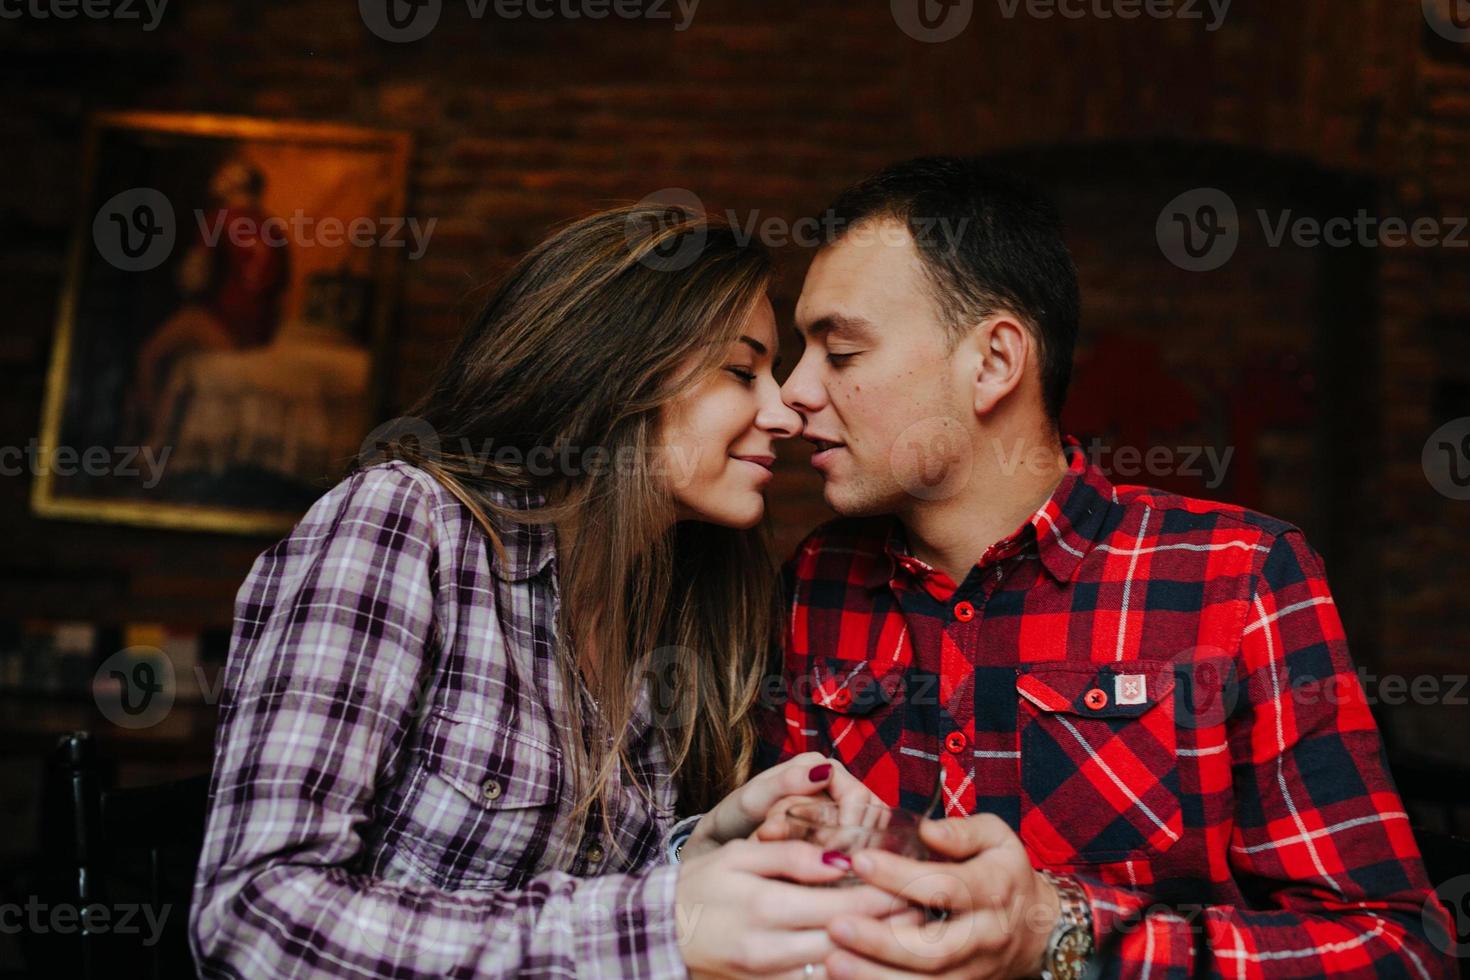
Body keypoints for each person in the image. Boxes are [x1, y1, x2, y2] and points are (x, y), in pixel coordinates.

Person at [763, 157, 1456, 979]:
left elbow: (1398, 949)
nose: (792, 391)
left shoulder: (1237, 579)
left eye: (839, 353)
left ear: (992, 363)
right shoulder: (818, 583)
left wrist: (1062, 934)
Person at [190, 204, 906, 979]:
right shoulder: (405, 524)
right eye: (741, 370)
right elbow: (253, 915)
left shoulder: (655, 601)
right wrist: (664, 925)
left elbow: (585, 908)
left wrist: (711, 849)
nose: (783, 412)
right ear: (614, 367)